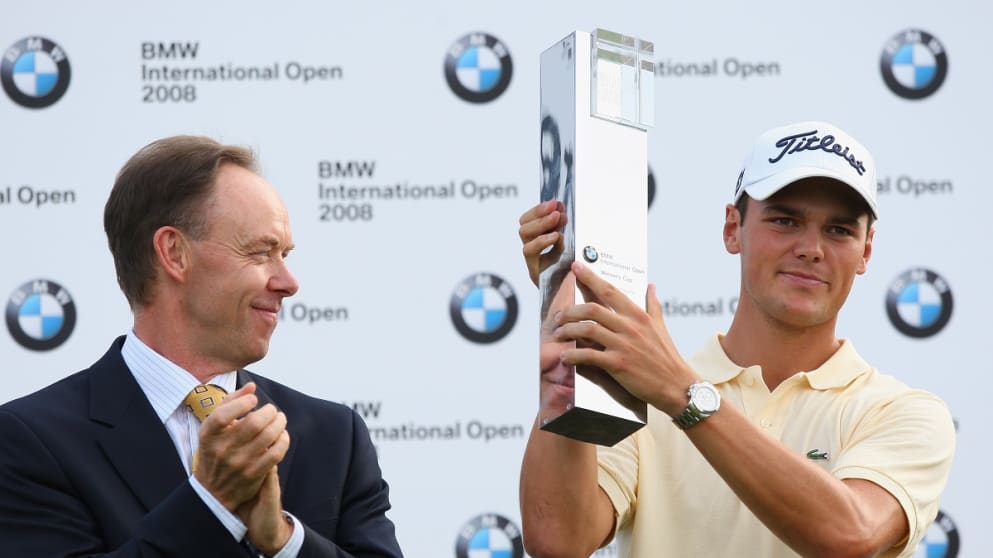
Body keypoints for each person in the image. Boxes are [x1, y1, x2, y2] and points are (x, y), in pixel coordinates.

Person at [516, 121, 955, 558]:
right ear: (732, 228)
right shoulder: (642, 393)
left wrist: (685, 397)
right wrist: (568, 328)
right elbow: (557, 539)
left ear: (867, 251)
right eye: (785, 220)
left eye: (839, 230)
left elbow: (850, 534)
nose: (811, 248)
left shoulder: (903, 412)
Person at [0, 136, 404, 557]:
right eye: (262, 252)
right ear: (174, 253)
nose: (289, 282)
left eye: (285, 254)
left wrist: (284, 542)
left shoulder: (335, 438)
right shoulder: (30, 441)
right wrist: (211, 505)